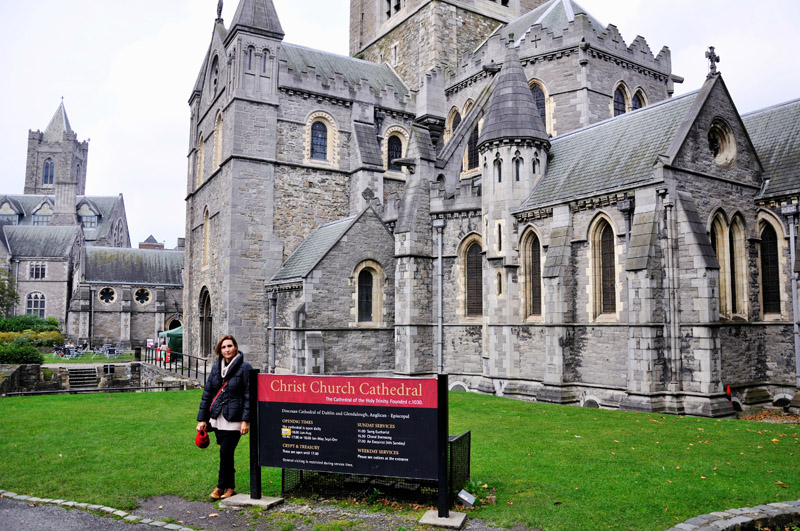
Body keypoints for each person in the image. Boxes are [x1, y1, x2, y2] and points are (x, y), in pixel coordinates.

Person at [196, 335, 251, 500]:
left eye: (230, 346)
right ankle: (230, 487)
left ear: (235, 347)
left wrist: (245, 420)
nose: (227, 349)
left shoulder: (245, 368)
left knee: (225, 452)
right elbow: (208, 393)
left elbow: (249, 395)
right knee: (227, 454)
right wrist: (202, 419)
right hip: (218, 418)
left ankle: (220, 487)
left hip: (234, 419)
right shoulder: (215, 367)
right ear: (220, 350)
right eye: (223, 347)